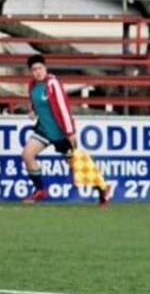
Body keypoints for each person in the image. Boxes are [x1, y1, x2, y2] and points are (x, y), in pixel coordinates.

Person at [21, 54, 110, 207]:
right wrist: (34, 111)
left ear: (45, 68)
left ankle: (102, 188)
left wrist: (70, 132)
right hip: (43, 130)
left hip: (60, 132)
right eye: (34, 69)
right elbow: (37, 103)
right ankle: (40, 190)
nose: (37, 72)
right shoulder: (32, 86)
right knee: (27, 155)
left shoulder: (52, 83)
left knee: (76, 165)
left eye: (40, 68)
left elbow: (63, 107)